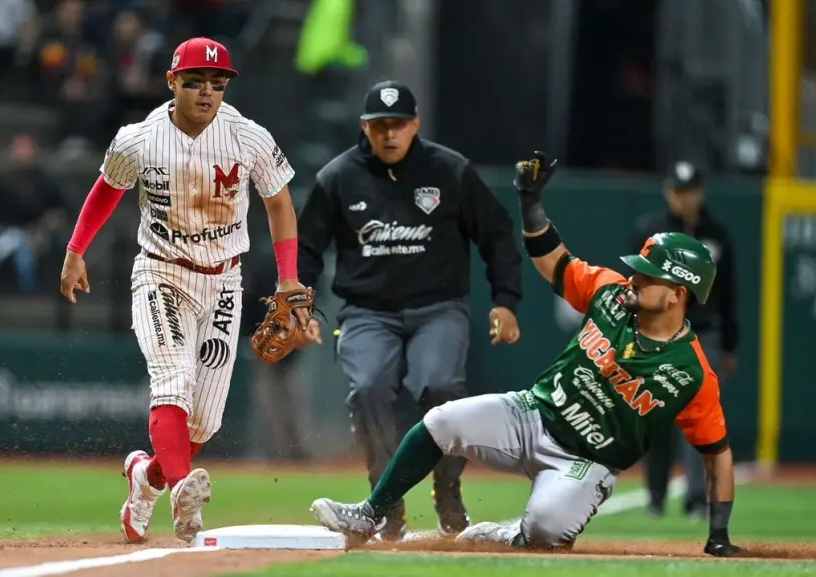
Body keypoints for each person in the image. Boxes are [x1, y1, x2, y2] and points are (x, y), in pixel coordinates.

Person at [308, 151, 746, 558]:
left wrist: (719, 535)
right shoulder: (610, 291)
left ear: (677, 295)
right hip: (533, 413)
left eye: (648, 276)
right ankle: (370, 513)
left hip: (586, 462)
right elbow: (552, 259)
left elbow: (717, 454)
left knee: (546, 530)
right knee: (440, 421)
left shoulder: (691, 373)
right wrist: (530, 201)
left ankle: (507, 534)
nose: (634, 277)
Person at [59, 37, 315, 544]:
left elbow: (280, 204)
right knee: (171, 381)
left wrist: (288, 277)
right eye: (195, 81)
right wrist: (75, 250)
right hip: (161, 272)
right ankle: (180, 491)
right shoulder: (139, 139)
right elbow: (106, 189)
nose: (206, 91)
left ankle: (145, 480)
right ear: (172, 82)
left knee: (203, 423)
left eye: (217, 83)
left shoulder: (247, 137)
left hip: (224, 281)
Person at [297, 80, 523, 540]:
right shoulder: (338, 177)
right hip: (366, 312)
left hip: (437, 308)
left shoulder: (449, 170)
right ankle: (385, 500)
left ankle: (447, 487)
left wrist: (506, 301)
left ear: (415, 124)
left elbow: (498, 234)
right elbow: (305, 248)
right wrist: (300, 303)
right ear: (365, 127)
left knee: (439, 386)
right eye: (380, 126)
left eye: (398, 124)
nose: (389, 135)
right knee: (368, 389)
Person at [630, 160, 739, 519]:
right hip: (657, 335)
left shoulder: (718, 233)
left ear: (701, 192)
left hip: (702, 333)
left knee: (699, 417)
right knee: (655, 417)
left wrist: (729, 345)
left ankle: (695, 499)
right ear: (668, 192)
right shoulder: (651, 230)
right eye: (678, 191)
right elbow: (632, 285)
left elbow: (729, 294)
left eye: (689, 191)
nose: (684, 199)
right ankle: (656, 497)